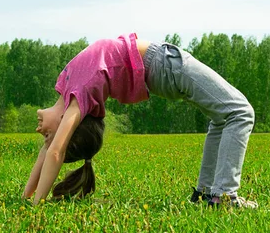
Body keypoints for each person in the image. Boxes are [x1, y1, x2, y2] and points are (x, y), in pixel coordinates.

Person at [22, 33, 257, 208]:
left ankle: (207, 194)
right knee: (240, 112)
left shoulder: (66, 86)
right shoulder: (77, 99)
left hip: (161, 66)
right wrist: (37, 207)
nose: (39, 130)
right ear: (66, 123)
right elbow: (54, 152)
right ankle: (224, 196)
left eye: (45, 135)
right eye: (46, 136)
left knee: (221, 118)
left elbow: (47, 152)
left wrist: (27, 197)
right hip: (164, 64)